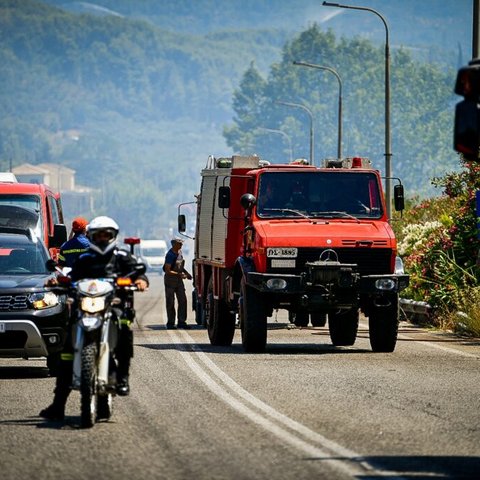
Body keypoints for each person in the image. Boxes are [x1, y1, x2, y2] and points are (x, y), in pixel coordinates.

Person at [39, 216, 149, 421]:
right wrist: (58, 282)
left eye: (105, 235)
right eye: (97, 235)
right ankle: (58, 405)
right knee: (67, 351)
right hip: (86, 306)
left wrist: (140, 281)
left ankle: (122, 378)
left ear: (113, 236)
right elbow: (70, 276)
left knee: (124, 328)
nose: (101, 239)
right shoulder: (85, 259)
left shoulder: (122, 257)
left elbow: (139, 272)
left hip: (113, 305)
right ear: (90, 236)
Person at [163, 238, 192, 329]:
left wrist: (186, 273)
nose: (181, 245)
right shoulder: (170, 255)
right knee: (170, 302)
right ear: (173, 245)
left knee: (183, 300)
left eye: (181, 244)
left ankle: (181, 322)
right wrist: (179, 274)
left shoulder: (179, 253)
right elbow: (167, 270)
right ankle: (170, 323)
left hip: (179, 281)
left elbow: (180, 266)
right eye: (179, 244)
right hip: (170, 281)